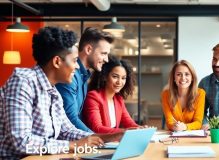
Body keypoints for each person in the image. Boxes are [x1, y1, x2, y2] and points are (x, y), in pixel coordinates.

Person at [0, 27, 122, 159]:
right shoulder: (23, 82)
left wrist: (112, 136)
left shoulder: (53, 92)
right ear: (57, 61)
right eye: (75, 61)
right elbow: (22, 142)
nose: (76, 66)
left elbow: (67, 130)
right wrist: (73, 145)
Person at [56, 27, 113, 132]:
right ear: (88, 49)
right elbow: (70, 118)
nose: (106, 59)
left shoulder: (84, 76)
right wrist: (95, 139)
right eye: (103, 53)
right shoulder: (70, 75)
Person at [82, 55, 141, 134]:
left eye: (123, 78)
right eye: (115, 77)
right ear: (105, 76)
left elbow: (128, 122)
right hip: (96, 143)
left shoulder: (118, 99)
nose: (119, 82)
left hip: (111, 141)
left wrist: (140, 129)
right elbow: (97, 128)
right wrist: (124, 131)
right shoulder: (93, 97)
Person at [161, 60, 206, 131]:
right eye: (179, 74)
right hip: (174, 134)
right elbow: (169, 121)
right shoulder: (166, 94)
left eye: (187, 74)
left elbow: (198, 122)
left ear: (192, 78)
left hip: (193, 136)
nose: (183, 78)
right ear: (174, 78)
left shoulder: (200, 93)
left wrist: (185, 127)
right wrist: (174, 126)